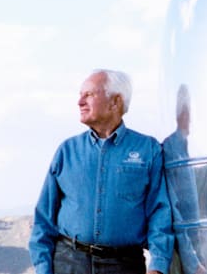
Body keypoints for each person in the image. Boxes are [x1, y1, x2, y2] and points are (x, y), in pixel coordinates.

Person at [30, 69, 172, 274]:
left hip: (124, 265)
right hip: (69, 263)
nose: (80, 102)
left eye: (89, 94)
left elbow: (161, 212)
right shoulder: (67, 151)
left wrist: (158, 265)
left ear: (115, 102)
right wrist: (43, 268)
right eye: (80, 95)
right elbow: (44, 217)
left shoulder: (148, 150)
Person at [160, 85, 204, 274]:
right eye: (187, 109)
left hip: (198, 250)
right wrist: (192, 262)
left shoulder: (192, 151)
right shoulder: (170, 150)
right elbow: (174, 215)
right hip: (181, 255)